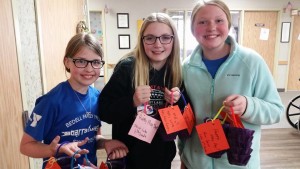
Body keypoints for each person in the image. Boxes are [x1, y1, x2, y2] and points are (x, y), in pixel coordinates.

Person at [179, 0, 284, 169]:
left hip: (237, 164)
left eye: (219, 20)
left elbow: (276, 111)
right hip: (196, 163)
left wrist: (248, 106)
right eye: (202, 22)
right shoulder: (186, 67)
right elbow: (185, 117)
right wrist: (184, 156)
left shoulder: (251, 61)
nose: (211, 27)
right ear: (192, 29)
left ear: (229, 25)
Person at [20, 33, 128, 168]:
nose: (89, 69)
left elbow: (94, 137)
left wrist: (106, 143)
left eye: (95, 62)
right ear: (67, 62)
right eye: (81, 61)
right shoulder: (51, 101)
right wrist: (55, 149)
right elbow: (25, 146)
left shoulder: (98, 97)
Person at [98, 13, 184, 169]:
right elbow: (104, 111)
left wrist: (178, 101)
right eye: (150, 38)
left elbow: (181, 121)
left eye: (165, 37)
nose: (158, 44)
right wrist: (131, 101)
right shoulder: (127, 68)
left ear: (174, 40)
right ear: (142, 40)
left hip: (162, 158)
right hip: (127, 157)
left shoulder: (176, 72)